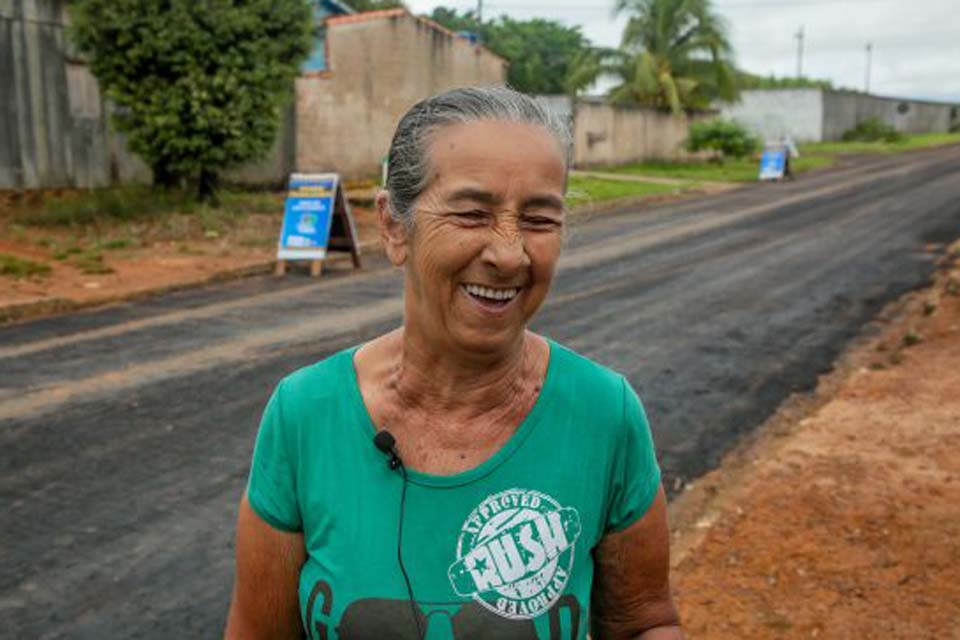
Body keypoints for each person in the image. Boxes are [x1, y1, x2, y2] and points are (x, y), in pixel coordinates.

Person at [225, 86, 683, 639]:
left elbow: (643, 623)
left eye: (539, 220)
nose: (509, 253)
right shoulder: (305, 415)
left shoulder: (604, 414)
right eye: (472, 213)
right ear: (395, 228)